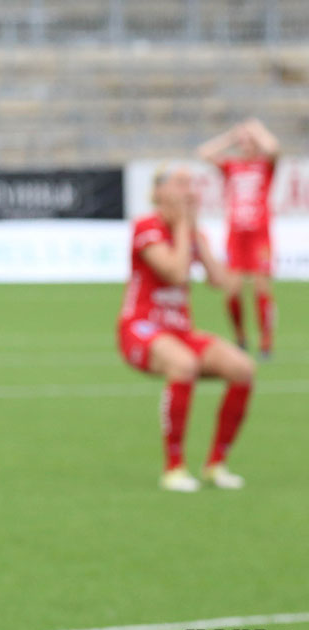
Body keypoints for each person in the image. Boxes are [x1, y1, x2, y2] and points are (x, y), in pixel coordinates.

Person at [117, 165, 255, 492]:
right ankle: (174, 468)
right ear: (159, 192)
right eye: (180, 183)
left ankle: (216, 464)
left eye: (191, 184)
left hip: (179, 331)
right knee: (184, 364)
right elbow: (176, 273)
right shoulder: (147, 227)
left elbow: (220, 281)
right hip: (141, 327)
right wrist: (182, 227)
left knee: (242, 369)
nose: (189, 190)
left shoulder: (189, 231)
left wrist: (194, 232)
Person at [197, 118, 280, 358]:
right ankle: (241, 337)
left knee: (261, 289)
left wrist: (257, 129)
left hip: (259, 236)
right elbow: (204, 153)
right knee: (232, 291)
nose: (246, 145)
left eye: (249, 141)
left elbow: (274, 149)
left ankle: (266, 341)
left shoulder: (265, 166)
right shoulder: (231, 166)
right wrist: (231, 137)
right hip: (236, 236)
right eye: (242, 142)